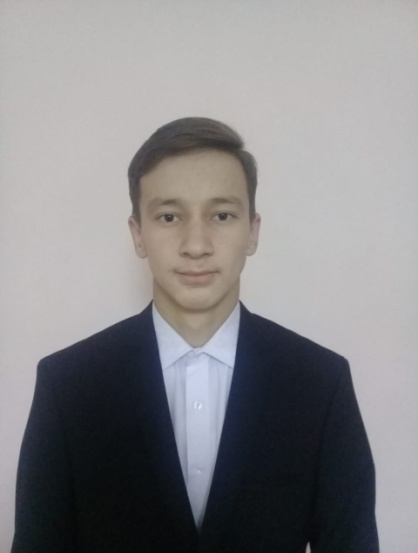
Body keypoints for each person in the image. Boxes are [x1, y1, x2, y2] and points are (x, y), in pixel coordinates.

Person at [11, 117, 379, 552]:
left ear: (252, 231)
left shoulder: (320, 383)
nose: (196, 245)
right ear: (138, 234)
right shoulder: (69, 385)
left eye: (222, 215)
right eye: (169, 216)